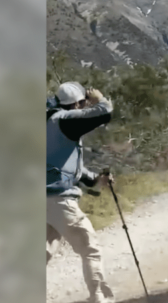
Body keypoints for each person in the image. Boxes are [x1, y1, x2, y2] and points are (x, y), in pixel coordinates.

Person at [46, 81, 116, 303]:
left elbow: (64, 163)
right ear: (76, 104)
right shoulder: (65, 120)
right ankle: (100, 299)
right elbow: (104, 113)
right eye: (83, 103)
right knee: (90, 249)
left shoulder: (48, 122)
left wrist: (94, 179)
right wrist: (99, 98)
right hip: (59, 200)